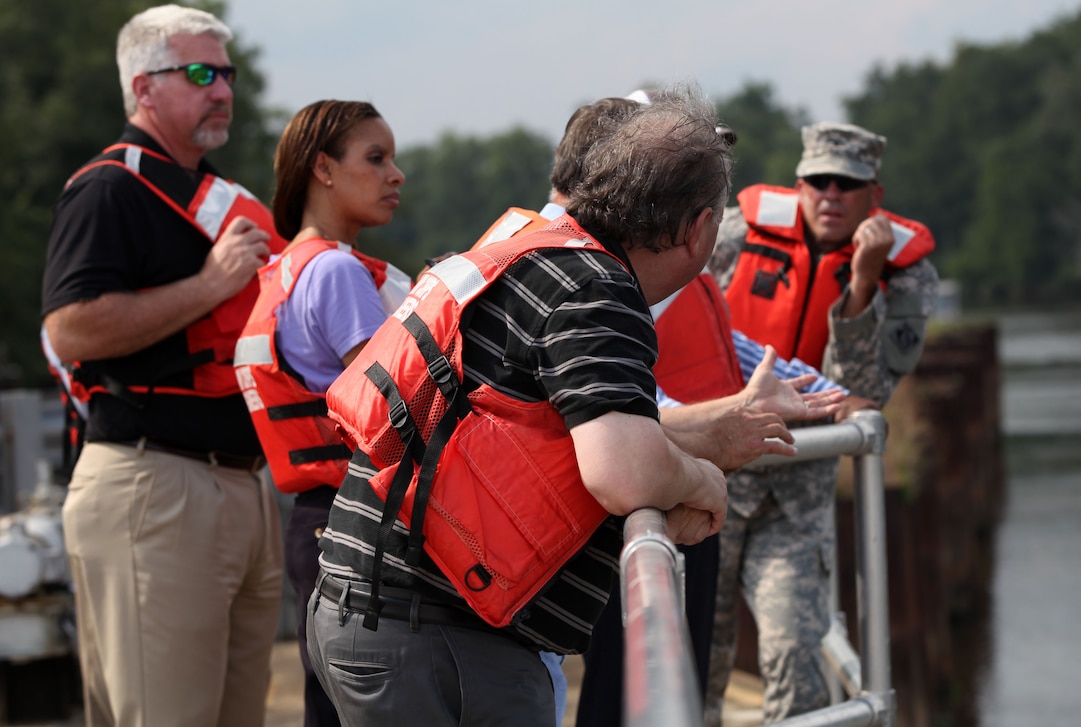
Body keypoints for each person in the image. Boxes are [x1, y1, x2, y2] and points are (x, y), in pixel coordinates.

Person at [306, 84, 735, 727]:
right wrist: (704, 479)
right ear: (700, 230)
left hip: (374, 607)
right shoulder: (597, 289)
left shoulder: (531, 254)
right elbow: (623, 470)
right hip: (440, 636)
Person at [556, 95, 848, 727]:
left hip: (679, 507)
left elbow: (730, 349)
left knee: (671, 676)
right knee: (630, 682)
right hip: (635, 517)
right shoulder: (599, 285)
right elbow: (626, 428)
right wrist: (709, 460)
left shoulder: (640, 276)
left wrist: (801, 390)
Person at [40, 5, 287, 726]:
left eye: (228, 75)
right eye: (202, 73)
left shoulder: (218, 199)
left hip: (239, 485)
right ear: (144, 89)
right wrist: (209, 286)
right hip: (155, 484)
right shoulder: (107, 189)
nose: (224, 92)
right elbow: (70, 326)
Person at [704, 121, 939, 724]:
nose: (831, 195)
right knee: (700, 652)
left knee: (793, 653)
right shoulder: (732, 236)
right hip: (711, 478)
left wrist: (862, 284)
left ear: (873, 197)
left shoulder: (907, 276)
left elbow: (864, 392)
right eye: (819, 181)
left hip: (797, 492)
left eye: (848, 184)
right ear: (799, 185)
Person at [233, 101, 411, 727]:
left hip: (316, 522)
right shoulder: (337, 271)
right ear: (324, 170)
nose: (396, 175)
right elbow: (396, 405)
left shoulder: (283, 272)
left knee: (330, 704)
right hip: (362, 522)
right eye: (376, 158)